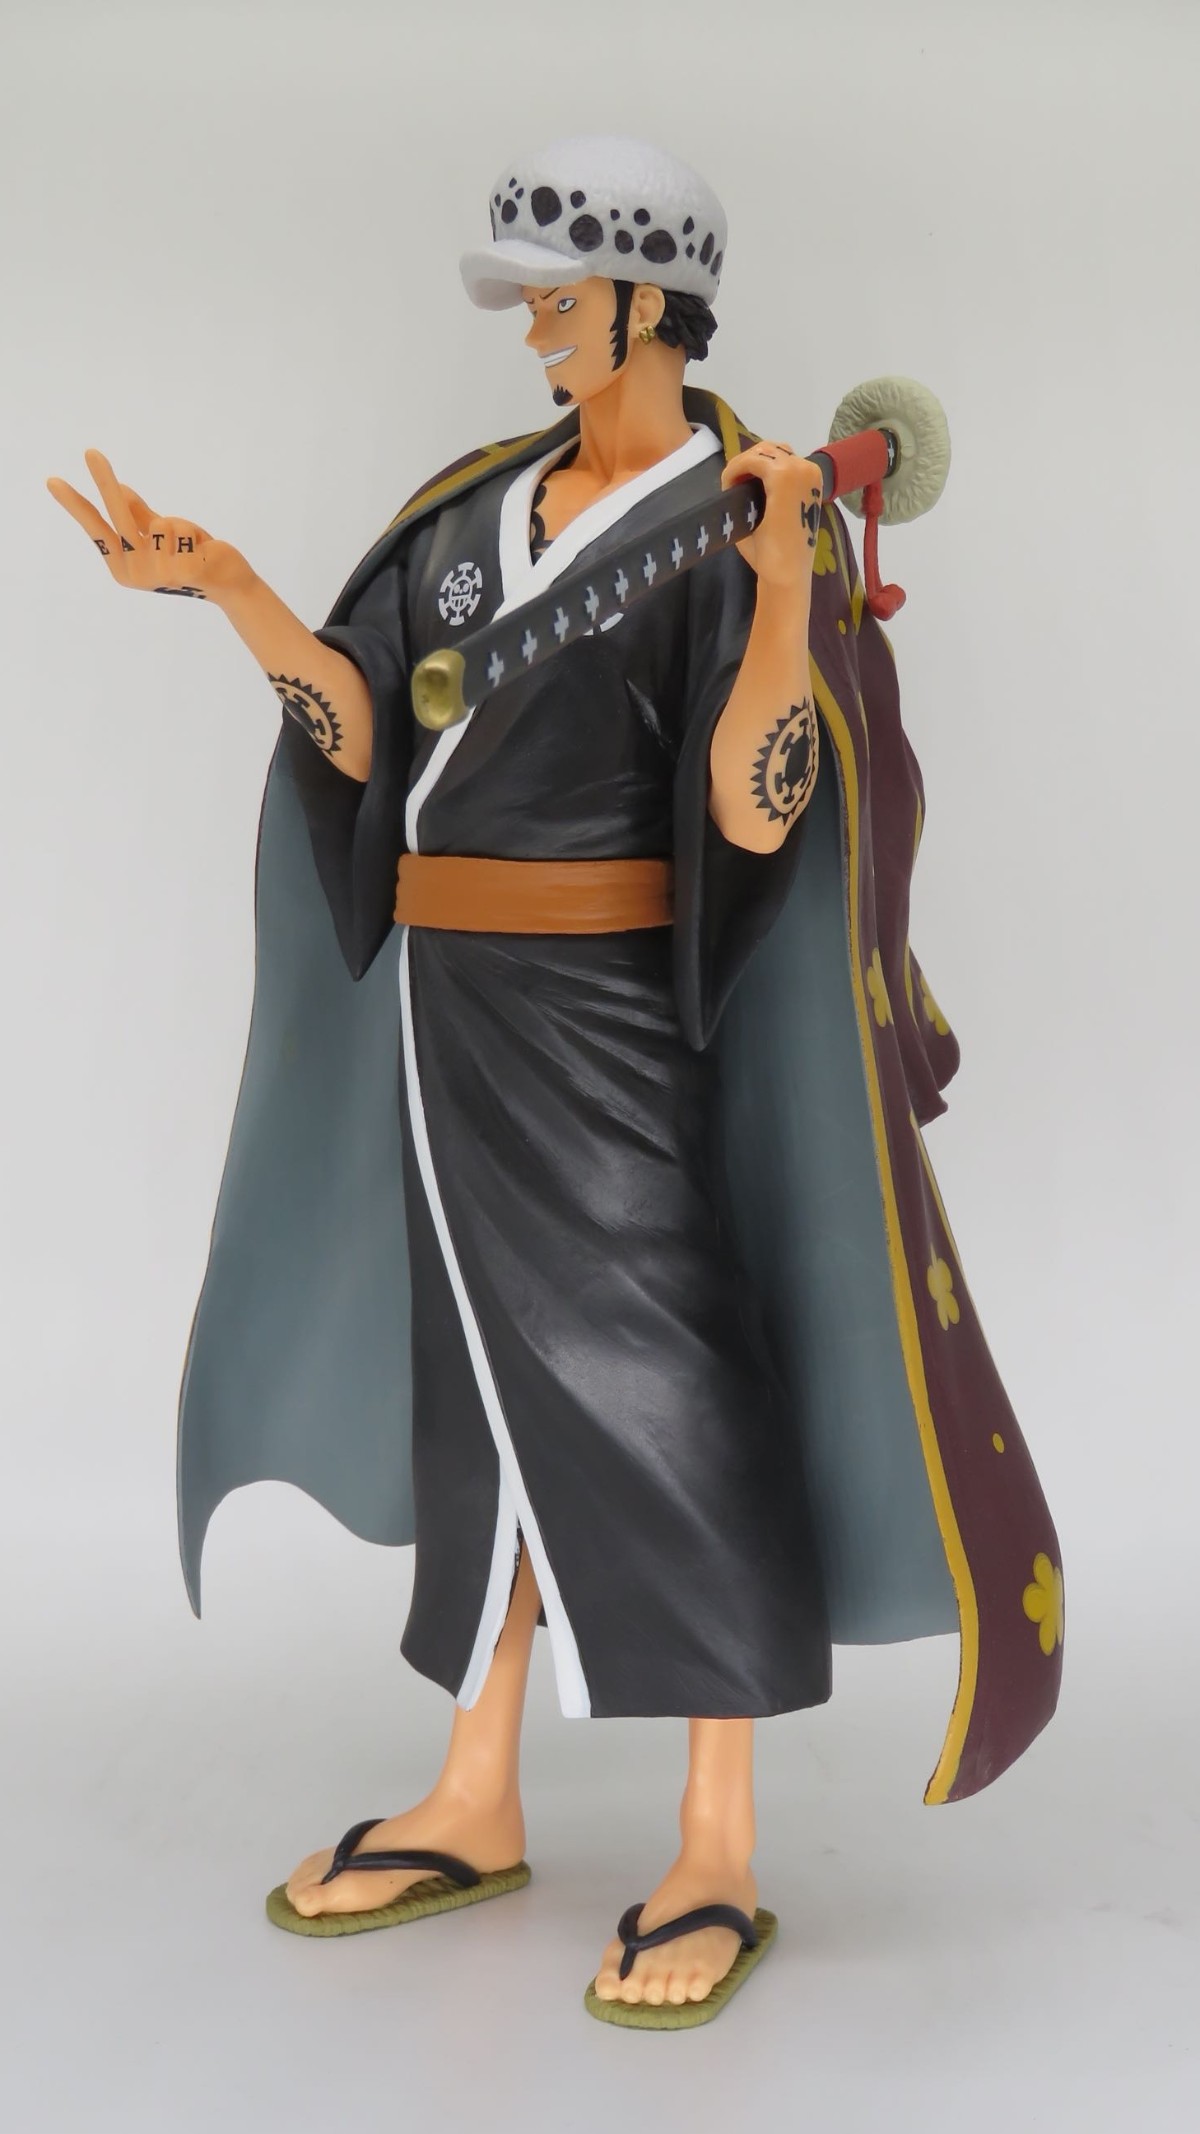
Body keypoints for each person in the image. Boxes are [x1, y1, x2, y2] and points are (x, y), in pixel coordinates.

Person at [48, 134, 1063, 2029]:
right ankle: (478, 1789)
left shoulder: (736, 519)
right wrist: (237, 592)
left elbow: (760, 804)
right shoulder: (471, 520)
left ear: (651, 306)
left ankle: (717, 1837)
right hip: (450, 1006)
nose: (531, 327)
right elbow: (364, 730)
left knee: (669, 1378)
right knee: (476, 1396)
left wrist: (783, 595)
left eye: (558, 296)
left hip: (607, 1013)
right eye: (527, 297)